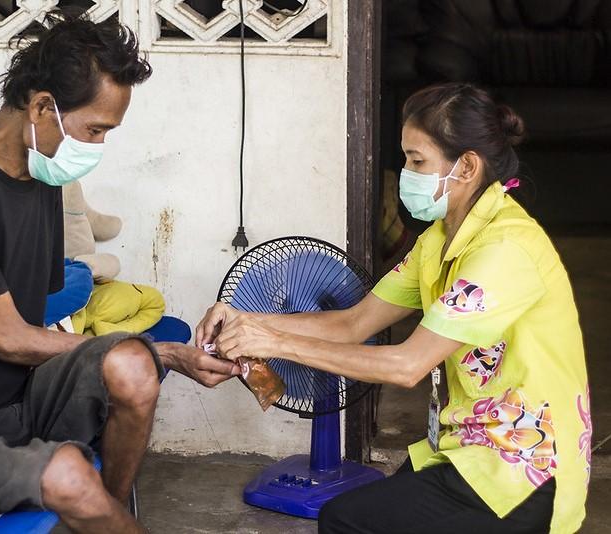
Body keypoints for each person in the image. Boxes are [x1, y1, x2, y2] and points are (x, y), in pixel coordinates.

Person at [0, 12, 240, 534]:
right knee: (73, 465)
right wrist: (165, 353)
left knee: (132, 370)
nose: (98, 146)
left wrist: (127, 357)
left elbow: (42, 316)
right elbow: (10, 339)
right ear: (43, 106)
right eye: (95, 129)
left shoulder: (42, 177)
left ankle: (106, 517)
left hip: (20, 402)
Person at [197, 83, 591, 533]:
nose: (405, 172)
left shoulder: (505, 250)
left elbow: (407, 365)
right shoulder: (439, 241)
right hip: (468, 448)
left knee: (346, 520)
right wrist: (246, 320)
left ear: (465, 166)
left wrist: (274, 341)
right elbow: (354, 321)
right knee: (373, 509)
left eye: (417, 161)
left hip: (524, 471)